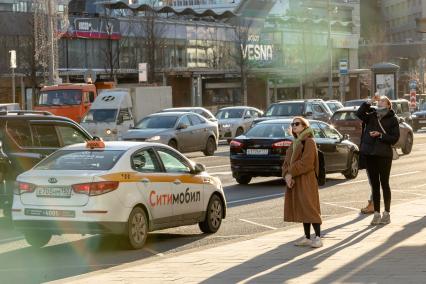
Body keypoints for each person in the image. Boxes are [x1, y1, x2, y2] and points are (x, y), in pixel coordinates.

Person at [356, 96, 400, 225]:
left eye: (382, 101)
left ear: (388, 105)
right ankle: (376, 214)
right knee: (374, 186)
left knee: (384, 184)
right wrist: (369, 101)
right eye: (378, 101)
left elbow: (394, 138)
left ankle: (386, 213)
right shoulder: (372, 115)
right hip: (370, 154)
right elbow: (359, 113)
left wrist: (380, 135)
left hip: (384, 155)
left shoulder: (392, 119)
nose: (379, 102)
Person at [282, 117, 322, 248]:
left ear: (305, 126)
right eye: (292, 124)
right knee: (302, 207)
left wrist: (290, 173)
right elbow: (286, 162)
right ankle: (307, 237)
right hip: (296, 179)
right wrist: (287, 175)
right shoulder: (295, 142)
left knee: (310, 207)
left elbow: (307, 163)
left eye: (297, 124)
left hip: (306, 179)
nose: (294, 126)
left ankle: (318, 237)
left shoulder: (309, 141)